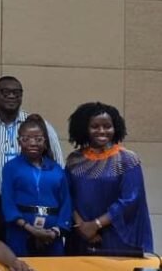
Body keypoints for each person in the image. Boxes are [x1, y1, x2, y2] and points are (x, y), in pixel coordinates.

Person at [0, 76, 65, 236]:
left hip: (33, 204)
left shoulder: (39, 125)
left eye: (16, 92)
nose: (11, 96)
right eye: (5, 92)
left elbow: (58, 164)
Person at [65, 102, 154, 255]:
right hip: (81, 236)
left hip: (117, 236)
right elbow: (66, 195)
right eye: (95, 126)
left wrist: (96, 224)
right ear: (84, 128)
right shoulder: (74, 160)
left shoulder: (127, 159)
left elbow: (130, 200)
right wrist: (82, 226)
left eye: (107, 126)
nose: (102, 131)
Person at [0, 115, 72, 256]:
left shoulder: (56, 168)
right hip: (20, 233)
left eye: (38, 139)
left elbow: (66, 202)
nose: (33, 143)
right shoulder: (11, 167)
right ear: (19, 142)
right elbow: (7, 203)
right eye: (26, 139)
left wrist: (55, 231)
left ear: (45, 142)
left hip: (52, 235)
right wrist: (30, 229)